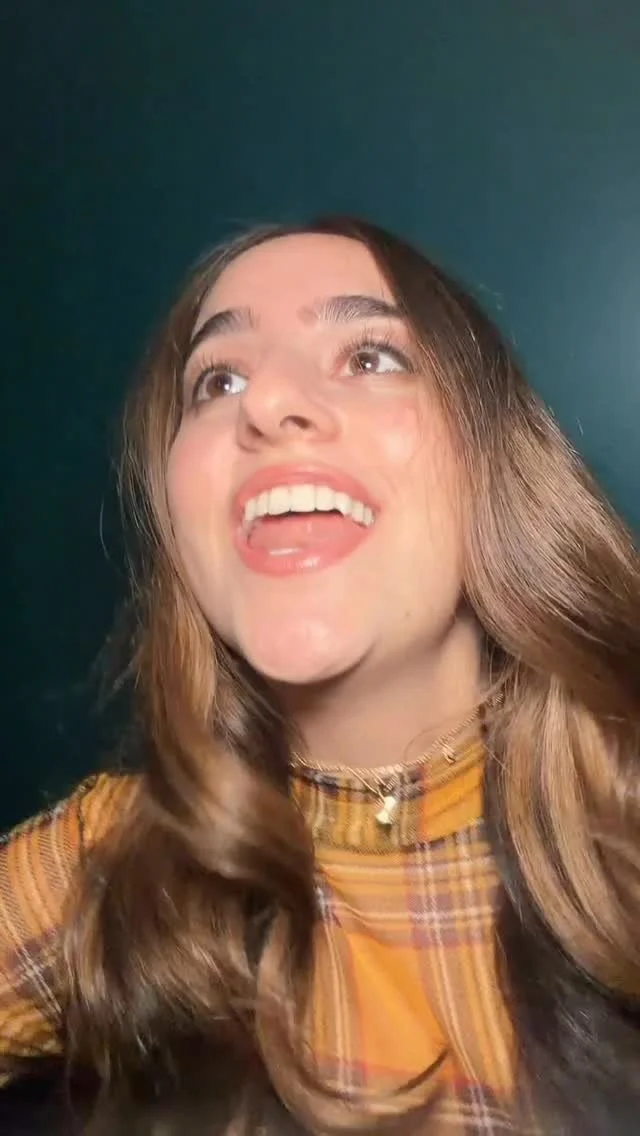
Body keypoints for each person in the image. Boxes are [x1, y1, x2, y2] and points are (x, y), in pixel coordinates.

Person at [0, 216, 639, 1136]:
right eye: (217, 381)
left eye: (371, 356)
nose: (266, 404)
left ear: (495, 459)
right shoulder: (102, 868)